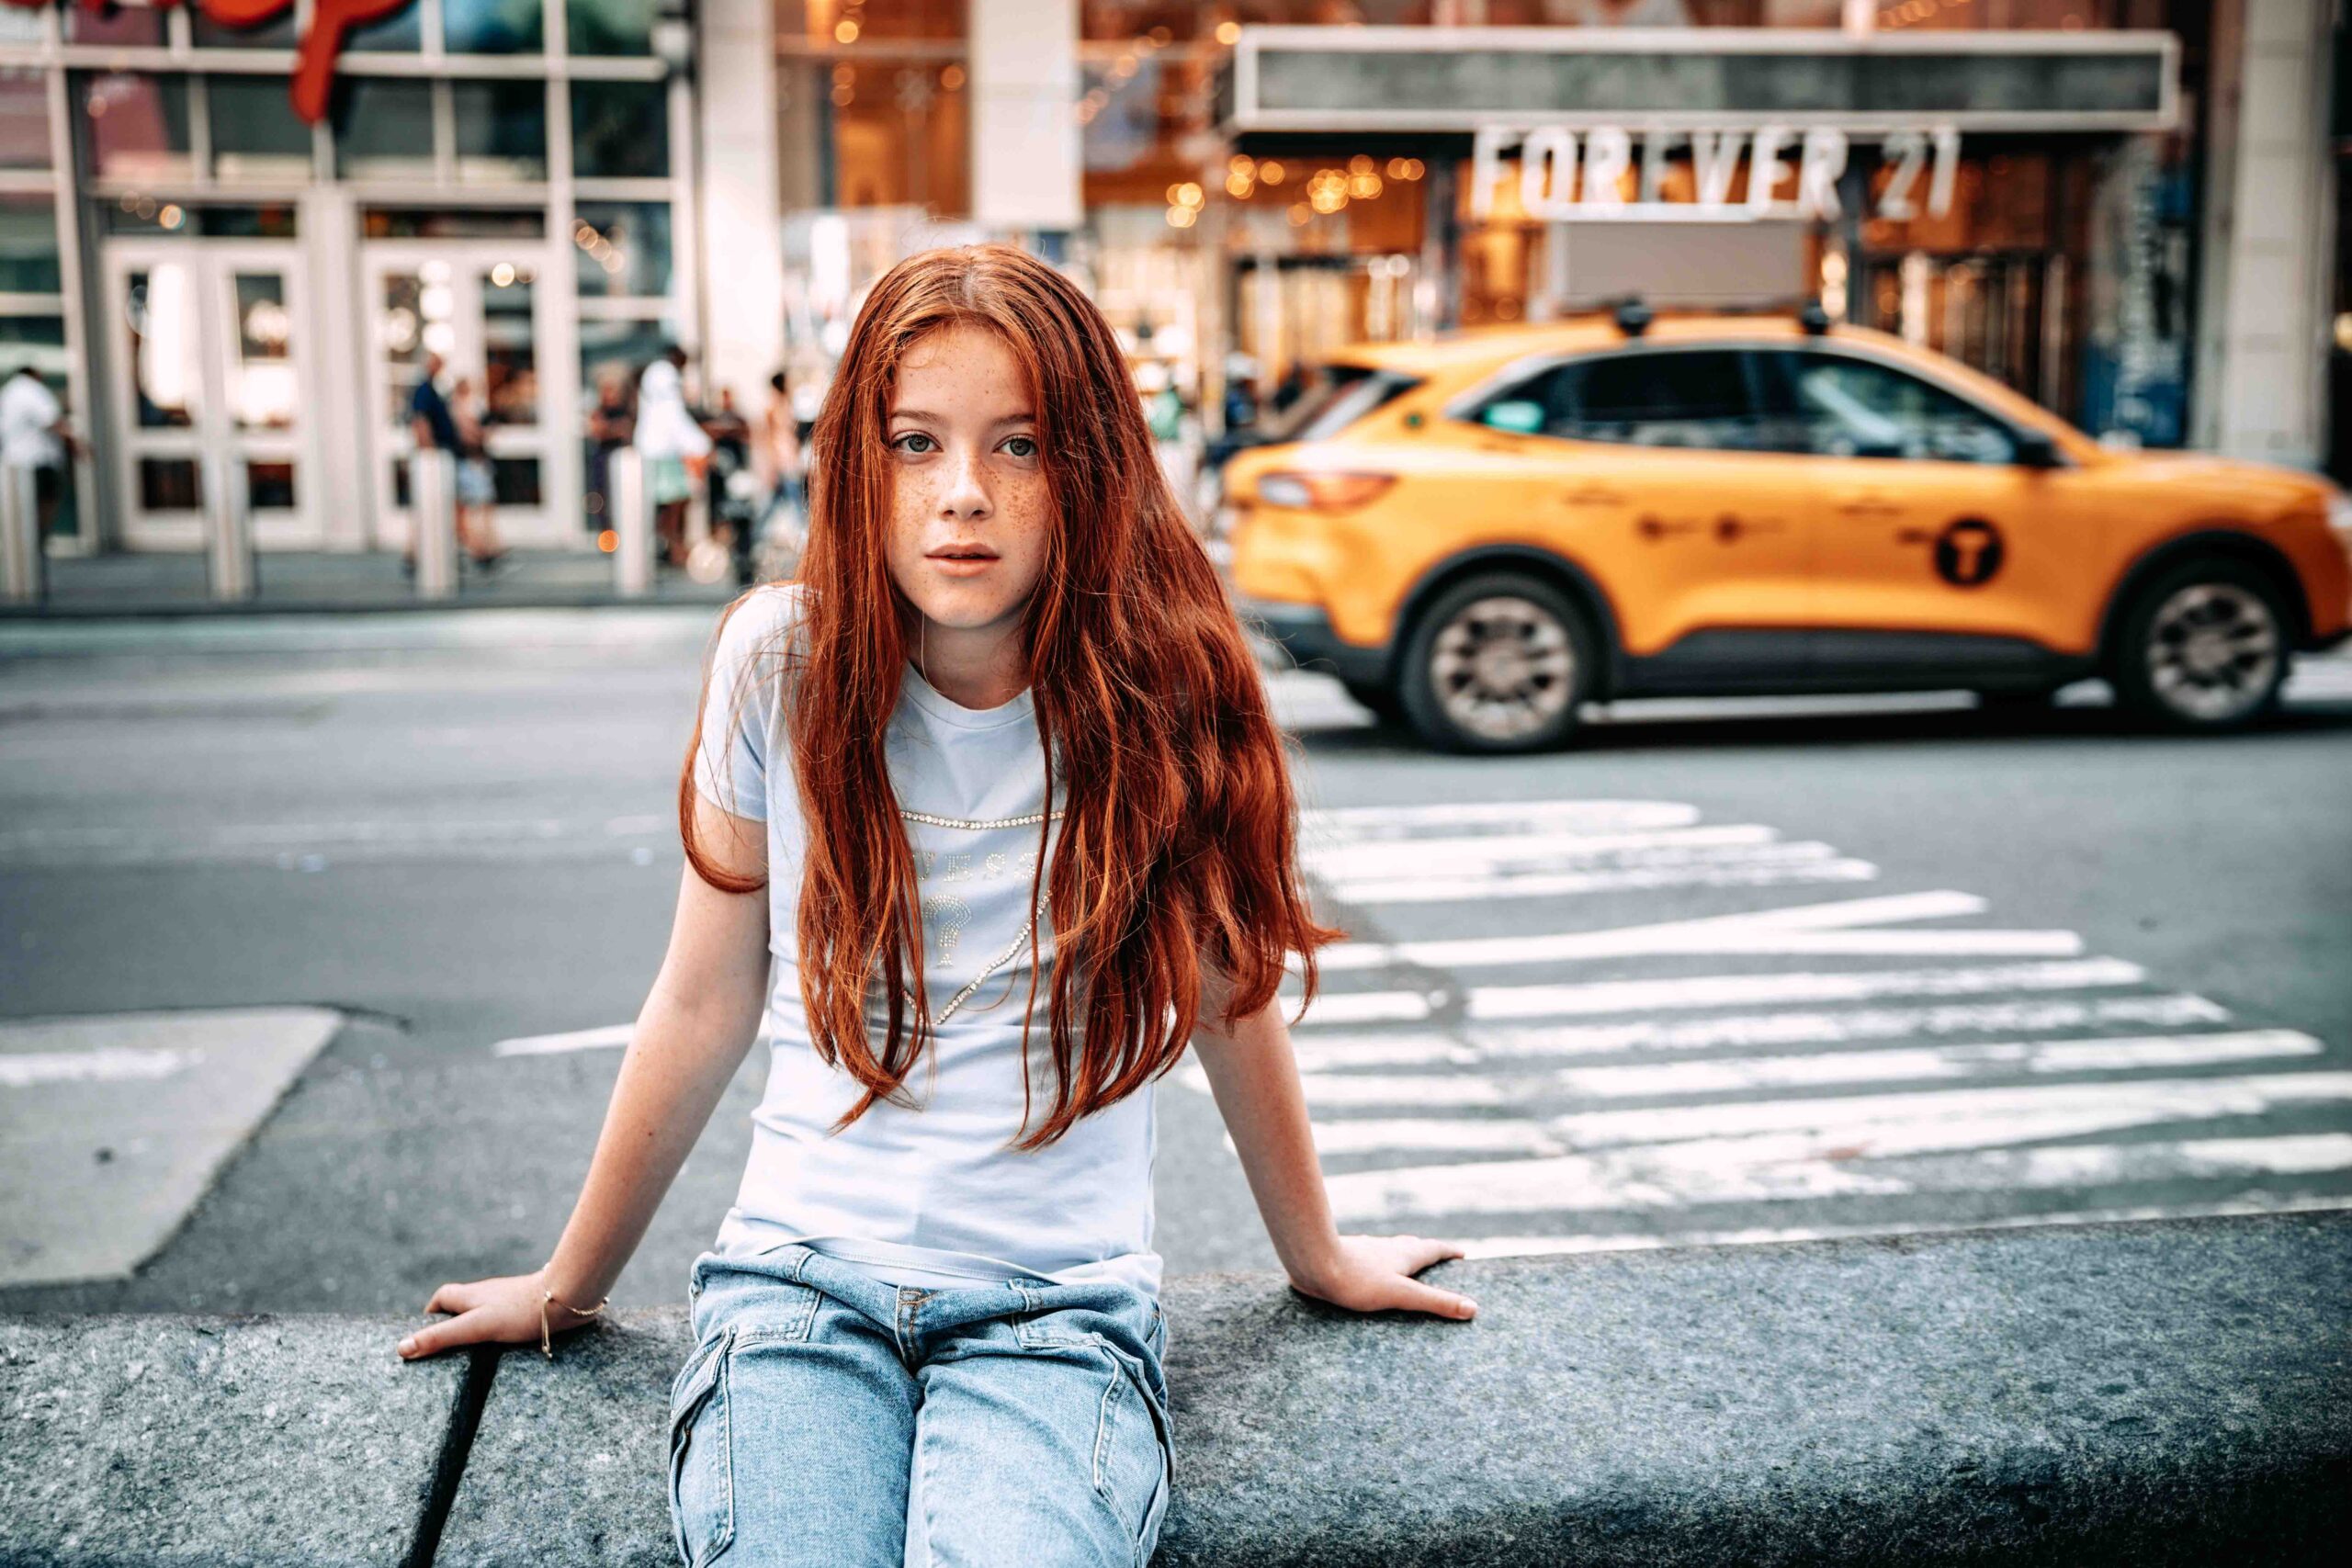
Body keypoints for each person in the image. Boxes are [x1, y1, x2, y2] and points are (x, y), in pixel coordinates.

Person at [390, 244, 1479, 1565]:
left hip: (1057, 1311)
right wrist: (569, 1281)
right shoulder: (776, 664)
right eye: (918, 441)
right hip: (797, 1289)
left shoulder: (1162, 691)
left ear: (1091, 464)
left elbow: (1226, 997)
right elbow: (701, 996)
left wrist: (1316, 1250)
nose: (964, 494)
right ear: (861, 457)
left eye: (1019, 446)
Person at [406, 353, 504, 571]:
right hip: (436, 461)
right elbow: (420, 422)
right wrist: (429, 454)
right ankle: (476, 552)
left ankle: (472, 551)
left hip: (445, 458)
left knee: (450, 509)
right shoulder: (425, 391)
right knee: (444, 508)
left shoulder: (435, 390)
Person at [633, 345, 712, 568]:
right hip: (664, 452)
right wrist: (701, 444)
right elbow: (673, 416)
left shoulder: (656, 374)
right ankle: (674, 548)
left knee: (669, 506)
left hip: (657, 449)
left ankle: (667, 548)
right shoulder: (664, 375)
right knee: (675, 504)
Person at [0, 363, 74, 537]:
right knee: (41, 508)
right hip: (38, 461)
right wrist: (77, 444)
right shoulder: (31, 390)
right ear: (36, 375)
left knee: (23, 511)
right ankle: (36, 544)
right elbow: (52, 420)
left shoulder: (8, 392)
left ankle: (30, 548)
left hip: (14, 461)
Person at [449, 376, 507, 570]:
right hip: (469, 463)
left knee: (483, 506)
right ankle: (479, 549)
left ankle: (488, 547)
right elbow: (469, 435)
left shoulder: (472, 407)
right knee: (474, 507)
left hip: (477, 462)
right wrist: (480, 433)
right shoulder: (458, 410)